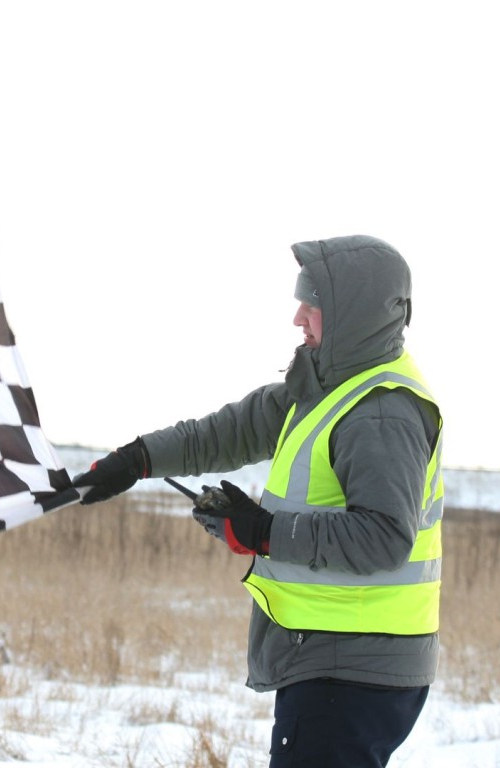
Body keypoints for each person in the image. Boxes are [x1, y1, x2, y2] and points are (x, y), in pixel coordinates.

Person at [73, 235, 443, 767]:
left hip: (356, 665)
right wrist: (136, 460)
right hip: (334, 656)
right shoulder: (326, 387)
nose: (298, 316)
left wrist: (264, 532)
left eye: (312, 303)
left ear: (353, 312)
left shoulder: (380, 410)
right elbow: (224, 434)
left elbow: (384, 538)